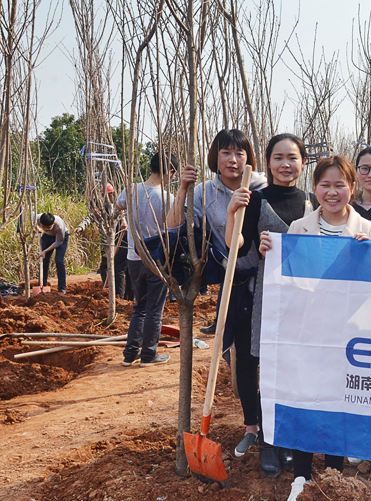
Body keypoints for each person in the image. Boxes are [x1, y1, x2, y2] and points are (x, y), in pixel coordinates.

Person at [257, 154, 371, 501]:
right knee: (306, 399)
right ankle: (301, 476)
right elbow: (288, 278)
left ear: (352, 188)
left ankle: (333, 475)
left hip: (349, 335)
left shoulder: (367, 230)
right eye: (325, 185)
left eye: (340, 185)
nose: (332, 192)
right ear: (314, 189)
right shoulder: (299, 229)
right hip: (307, 332)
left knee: (338, 402)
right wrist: (270, 251)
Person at [167, 129, 276, 471]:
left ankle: (273, 428)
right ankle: (252, 426)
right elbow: (173, 226)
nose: (233, 160)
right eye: (226, 152)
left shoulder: (262, 187)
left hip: (268, 282)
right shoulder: (204, 193)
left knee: (272, 359)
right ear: (215, 157)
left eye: (240, 153)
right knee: (242, 361)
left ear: (249, 157)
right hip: (233, 283)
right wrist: (182, 189)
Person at [225, 133, 315, 477]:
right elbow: (237, 244)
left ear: (303, 162)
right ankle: (267, 440)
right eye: (278, 158)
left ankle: (288, 437)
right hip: (268, 295)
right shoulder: (256, 200)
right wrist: (233, 212)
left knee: (294, 368)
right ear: (268, 162)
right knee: (267, 367)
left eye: (292, 158)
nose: (285, 164)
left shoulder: (312, 202)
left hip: (305, 299)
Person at [116, 151, 177, 367]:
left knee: (139, 307)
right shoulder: (168, 198)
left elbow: (118, 205)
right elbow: (173, 226)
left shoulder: (131, 189)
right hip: (156, 260)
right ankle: (149, 355)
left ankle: (130, 354)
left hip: (134, 257)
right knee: (154, 310)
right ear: (171, 172)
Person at [75, 183, 133, 300]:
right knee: (106, 267)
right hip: (108, 244)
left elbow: (124, 218)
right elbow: (89, 218)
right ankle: (111, 289)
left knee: (122, 269)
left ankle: (122, 296)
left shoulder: (117, 208)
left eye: (110, 194)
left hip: (122, 242)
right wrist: (81, 227)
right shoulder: (100, 210)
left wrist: (123, 222)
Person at [36, 212, 70, 294]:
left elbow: (58, 242)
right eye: (43, 227)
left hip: (61, 238)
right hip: (48, 236)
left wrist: (45, 251)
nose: (46, 229)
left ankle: (62, 288)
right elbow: (29, 217)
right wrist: (36, 228)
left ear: (53, 223)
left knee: (59, 260)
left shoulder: (59, 226)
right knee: (44, 261)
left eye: (49, 227)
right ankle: (42, 285)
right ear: (40, 222)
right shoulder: (37, 218)